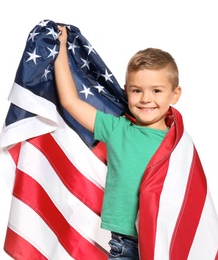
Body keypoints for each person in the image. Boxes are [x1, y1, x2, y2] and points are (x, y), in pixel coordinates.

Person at [54, 25, 182, 260]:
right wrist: (61, 47)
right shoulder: (117, 129)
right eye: (136, 90)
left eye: (156, 90)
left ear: (175, 95)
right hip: (125, 243)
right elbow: (71, 102)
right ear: (126, 91)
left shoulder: (179, 143)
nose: (146, 99)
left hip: (167, 240)